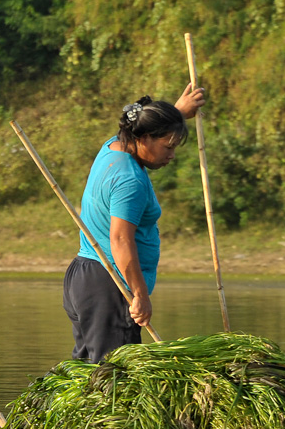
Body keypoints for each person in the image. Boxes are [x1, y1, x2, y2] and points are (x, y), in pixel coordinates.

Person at [64, 83, 207, 362]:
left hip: (83, 275)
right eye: (167, 146)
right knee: (116, 375)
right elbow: (120, 240)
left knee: (88, 370)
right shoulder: (130, 180)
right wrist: (140, 295)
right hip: (111, 283)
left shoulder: (113, 148)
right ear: (144, 138)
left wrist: (177, 113)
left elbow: (141, 125)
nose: (172, 155)